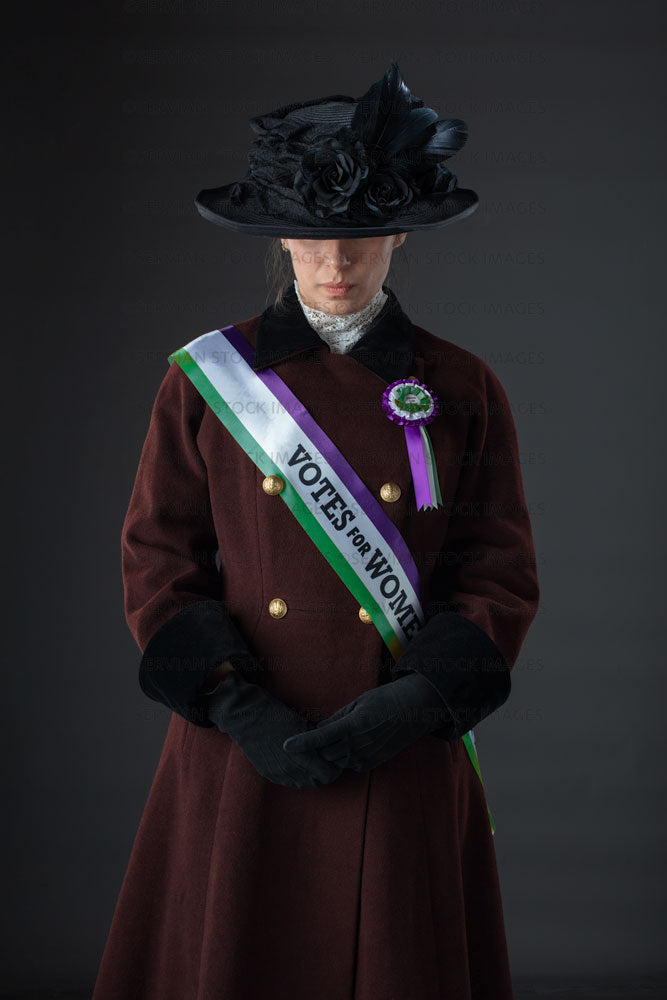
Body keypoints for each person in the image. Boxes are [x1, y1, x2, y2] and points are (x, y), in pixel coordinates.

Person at [92, 61, 540, 1000]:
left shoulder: (460, 384)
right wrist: (233, 704)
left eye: (361, 238)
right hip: (246, 739)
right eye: (311, 238)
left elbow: (496, 571)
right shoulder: (205, 380)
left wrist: (413, 706)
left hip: (399, 738)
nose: (335, 265)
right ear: (276, 236)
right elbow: (156, 558)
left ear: (398, 232)